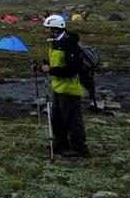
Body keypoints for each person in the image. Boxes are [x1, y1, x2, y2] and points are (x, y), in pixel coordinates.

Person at [38, 15, 91, 158]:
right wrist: (42, 66)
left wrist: (51, 70)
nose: (46, 31)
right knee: (58, 117)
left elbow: (72, 70)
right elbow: (54, 62)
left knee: (72, 119)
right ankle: (60, 143)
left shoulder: (69, 45)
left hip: (69, 89)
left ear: (55, 29)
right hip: (58, 87)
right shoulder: (56, 42)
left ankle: (80, 149)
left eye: (47, 28)